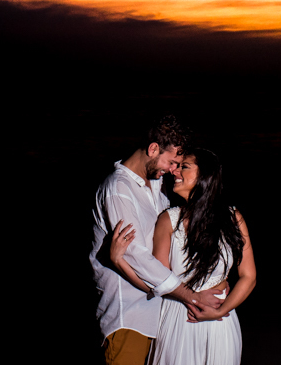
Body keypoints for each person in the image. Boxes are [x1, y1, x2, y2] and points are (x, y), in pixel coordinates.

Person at [91, 116, 227, 365]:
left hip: (164, 317)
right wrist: (191, 296)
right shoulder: (118, 188)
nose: (174, 169)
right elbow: (136, 255)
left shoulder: (159, 187)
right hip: (131, 317)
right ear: (153, 149)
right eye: (172, 161)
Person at [110, 147, 256, 365]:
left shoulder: (233, 218)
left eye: (183, 167)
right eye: (176, 166)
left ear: (204, 175)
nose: (175, 172)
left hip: (221, 323)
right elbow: (155, 280)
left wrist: (220, 311)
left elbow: (248, 276)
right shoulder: (168, 220)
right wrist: (118, 261)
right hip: (179, 318)